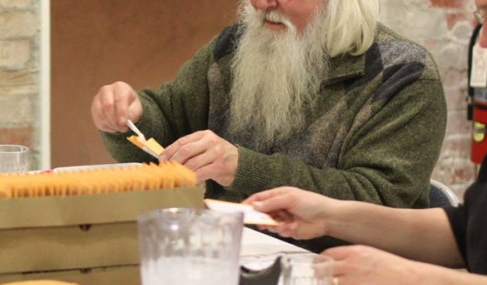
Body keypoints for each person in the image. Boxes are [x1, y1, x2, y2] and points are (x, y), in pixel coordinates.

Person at [244, 0, 487, 285]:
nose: (486, 41)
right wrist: (329, 215)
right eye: (482, 20)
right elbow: (469, 231)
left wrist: (415, 278)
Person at [90, 0, 446, 251]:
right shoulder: (234, 47)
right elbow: (164, 133)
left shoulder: (403, 76)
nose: (261, 3)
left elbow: (381, 204)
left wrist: (243, 168)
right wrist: (130, 118)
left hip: (338, 269)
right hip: (221, 258)